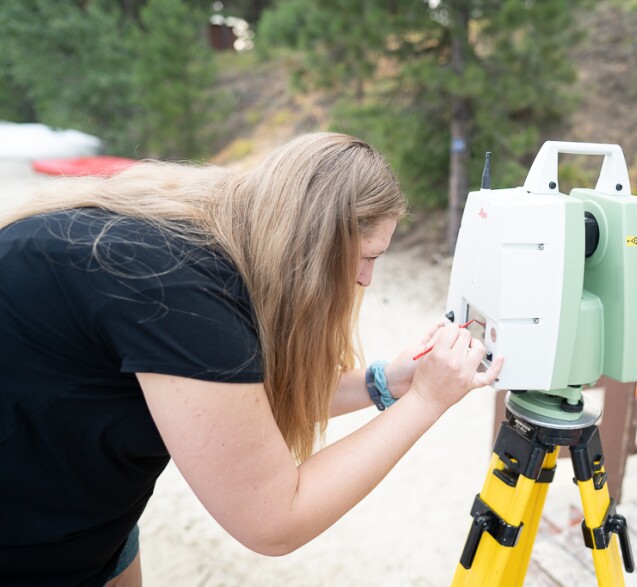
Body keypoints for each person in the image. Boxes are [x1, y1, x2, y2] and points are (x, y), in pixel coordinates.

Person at [0, 132, 503, 586]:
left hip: (88, 512)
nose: (366, 280)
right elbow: (274, 521)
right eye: (367, 256)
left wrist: (389, 383)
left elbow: (239, 404)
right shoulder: (177, 289)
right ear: (313, 246)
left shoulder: (223, 223)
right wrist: (427, 403)